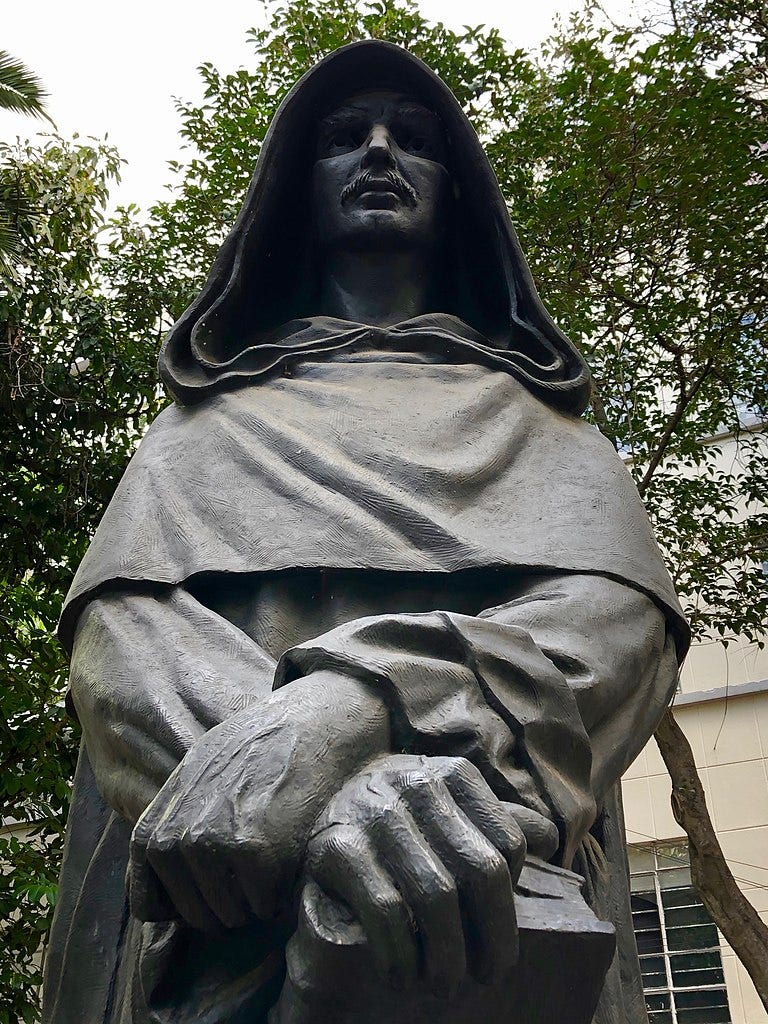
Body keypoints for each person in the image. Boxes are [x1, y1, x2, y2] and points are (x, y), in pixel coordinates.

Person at [44, 41, 688, 1024]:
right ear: (296, 192)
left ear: (457, 194)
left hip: (503, 931)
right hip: (238, 941)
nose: (380, 151)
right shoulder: (197, 436)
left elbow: (614, 638)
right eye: (345, 137)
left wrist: (350, 709)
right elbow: (120, 647)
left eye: (414, 139)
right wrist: (308, 792)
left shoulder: (551, 435)